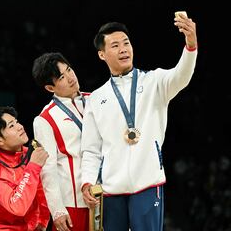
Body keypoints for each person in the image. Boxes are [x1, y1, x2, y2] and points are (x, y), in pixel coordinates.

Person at [81, 14, 198, 231]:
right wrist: (87, 181)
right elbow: (90, 149)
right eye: (115, 45)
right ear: (102, 54)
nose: (123, 49)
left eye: (126, 43)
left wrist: (190, 46)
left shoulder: (155, 81)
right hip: (111, 189)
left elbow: (182, 76)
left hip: (147, 183)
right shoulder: (96, 98)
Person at [32, 52, 91, 231]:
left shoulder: (96, 101)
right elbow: (48, 168)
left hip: (109, 194)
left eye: (69, 70)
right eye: (62, 77)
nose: (70, 78)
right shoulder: (45, 119)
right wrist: (57, 209)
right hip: (74, 203)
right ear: (50, 88)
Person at [0, 106, 50, 231]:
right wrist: (33, 167)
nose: (20, 126)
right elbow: (17, 207)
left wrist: (42, 220)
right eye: (11, 126)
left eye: (17, 122)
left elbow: (42, 189)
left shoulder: (31, 154)